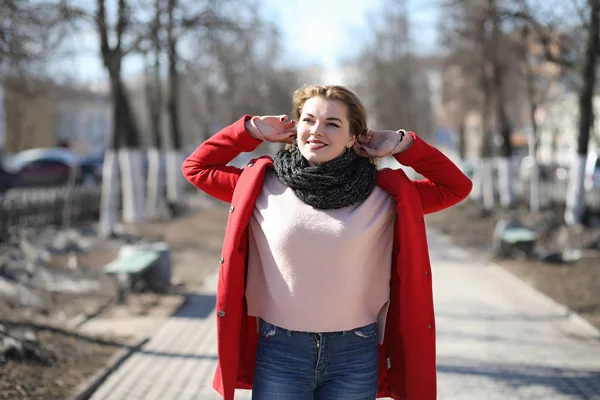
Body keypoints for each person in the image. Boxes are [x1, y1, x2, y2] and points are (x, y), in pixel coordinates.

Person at [182, 84, 472, 400]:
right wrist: (250, 129)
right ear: (295, 128)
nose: (317, 130)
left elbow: (456, 186)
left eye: (332, 123)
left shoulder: (385, 193)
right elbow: (195, 168)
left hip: (355, 352)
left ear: (353, 137)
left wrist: (403, 144)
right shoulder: (258, 185)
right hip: (280, 350)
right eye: (308, 120)